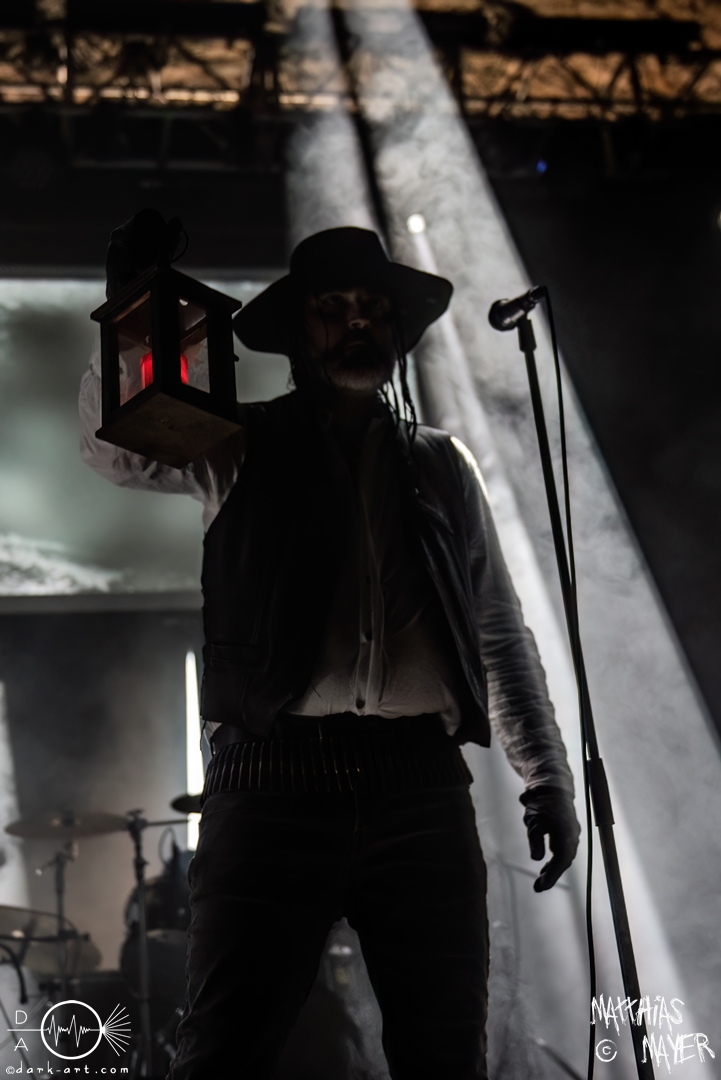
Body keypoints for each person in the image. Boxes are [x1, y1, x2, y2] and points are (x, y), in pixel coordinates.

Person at [79, 212, 581, 1080]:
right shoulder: (237, 445)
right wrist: (131, 306)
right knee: (223, 1054)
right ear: (299, 332)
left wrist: (547, 776)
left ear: (395, 328)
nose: (356, 321)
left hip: (417, 787)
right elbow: (114, 453)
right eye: (333, 307)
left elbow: (497, 632)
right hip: (271, 781)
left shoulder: (442, 466)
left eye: (371, 308)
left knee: (444, 1058)